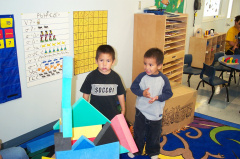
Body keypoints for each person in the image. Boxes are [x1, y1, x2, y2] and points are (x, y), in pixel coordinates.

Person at [128, 48, 173, 159]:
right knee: (139, 132)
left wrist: (159, 97)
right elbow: (133, 88)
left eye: (150, 65)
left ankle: (152, 152)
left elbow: (168, 93)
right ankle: (136, 150)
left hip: (155, 113)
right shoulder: (141, 76)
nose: (147, 67)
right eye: (145, 64)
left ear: (159, 66)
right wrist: (142, 93)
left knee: (154, 134)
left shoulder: (163, 79)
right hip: (141, 111)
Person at [80, 45, 126, 120]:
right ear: (96, 61)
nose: (104, 64)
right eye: (101, 60)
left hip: (112, 115)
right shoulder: (91, 77)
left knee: (110, 132)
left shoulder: (116, 77)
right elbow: (85, 96)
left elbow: (121, 95)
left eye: (108, 61)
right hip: (95, 115)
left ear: (113, 62)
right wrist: (84, 111)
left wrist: (123, 110)